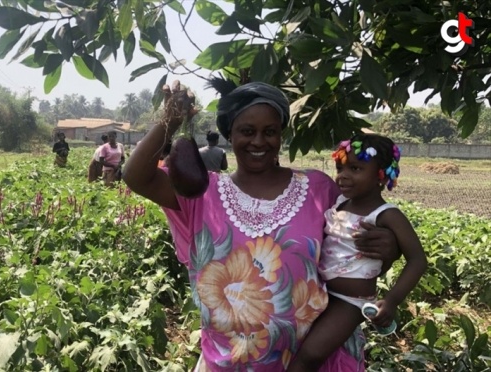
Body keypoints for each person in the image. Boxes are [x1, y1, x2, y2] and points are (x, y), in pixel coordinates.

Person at [122, 79, 400, 371]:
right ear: (230, 133)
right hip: (229, 361)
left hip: (313, 359)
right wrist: (171, 119)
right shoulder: (202, 194)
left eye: (270, 132)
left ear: (281, 135)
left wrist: (389, 248)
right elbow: (136, 176)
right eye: (247, 131)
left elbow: (355, 250)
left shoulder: (318, 189)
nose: (258, 141)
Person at [287, 134, 427, 371]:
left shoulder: (386, 214)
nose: (343, 176)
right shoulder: (339, 202)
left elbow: (418, 260)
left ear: (381, 175)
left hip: (350, 302)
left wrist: (391, 301)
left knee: (310, 355)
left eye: (355, 168)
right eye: (340, 168)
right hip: (321, 292)